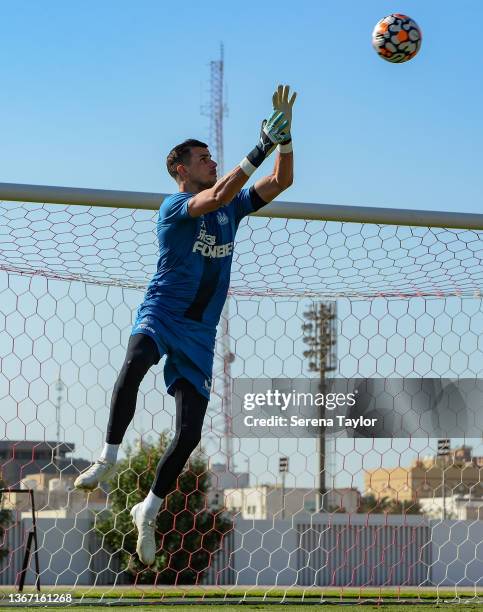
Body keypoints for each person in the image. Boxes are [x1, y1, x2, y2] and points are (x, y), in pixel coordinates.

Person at [74, 85, 297, 566]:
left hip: (199, 332)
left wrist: (285, 140)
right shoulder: (173, 208)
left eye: (213, 157)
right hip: (162, 313)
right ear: (181, 169)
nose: (211, 162)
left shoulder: (232, 209)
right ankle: (108, 457)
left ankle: (148, 510)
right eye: (203, 158)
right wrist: (258, 144)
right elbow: (216, 194)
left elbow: (281, 182)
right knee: (135, 362)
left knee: (190, 433)